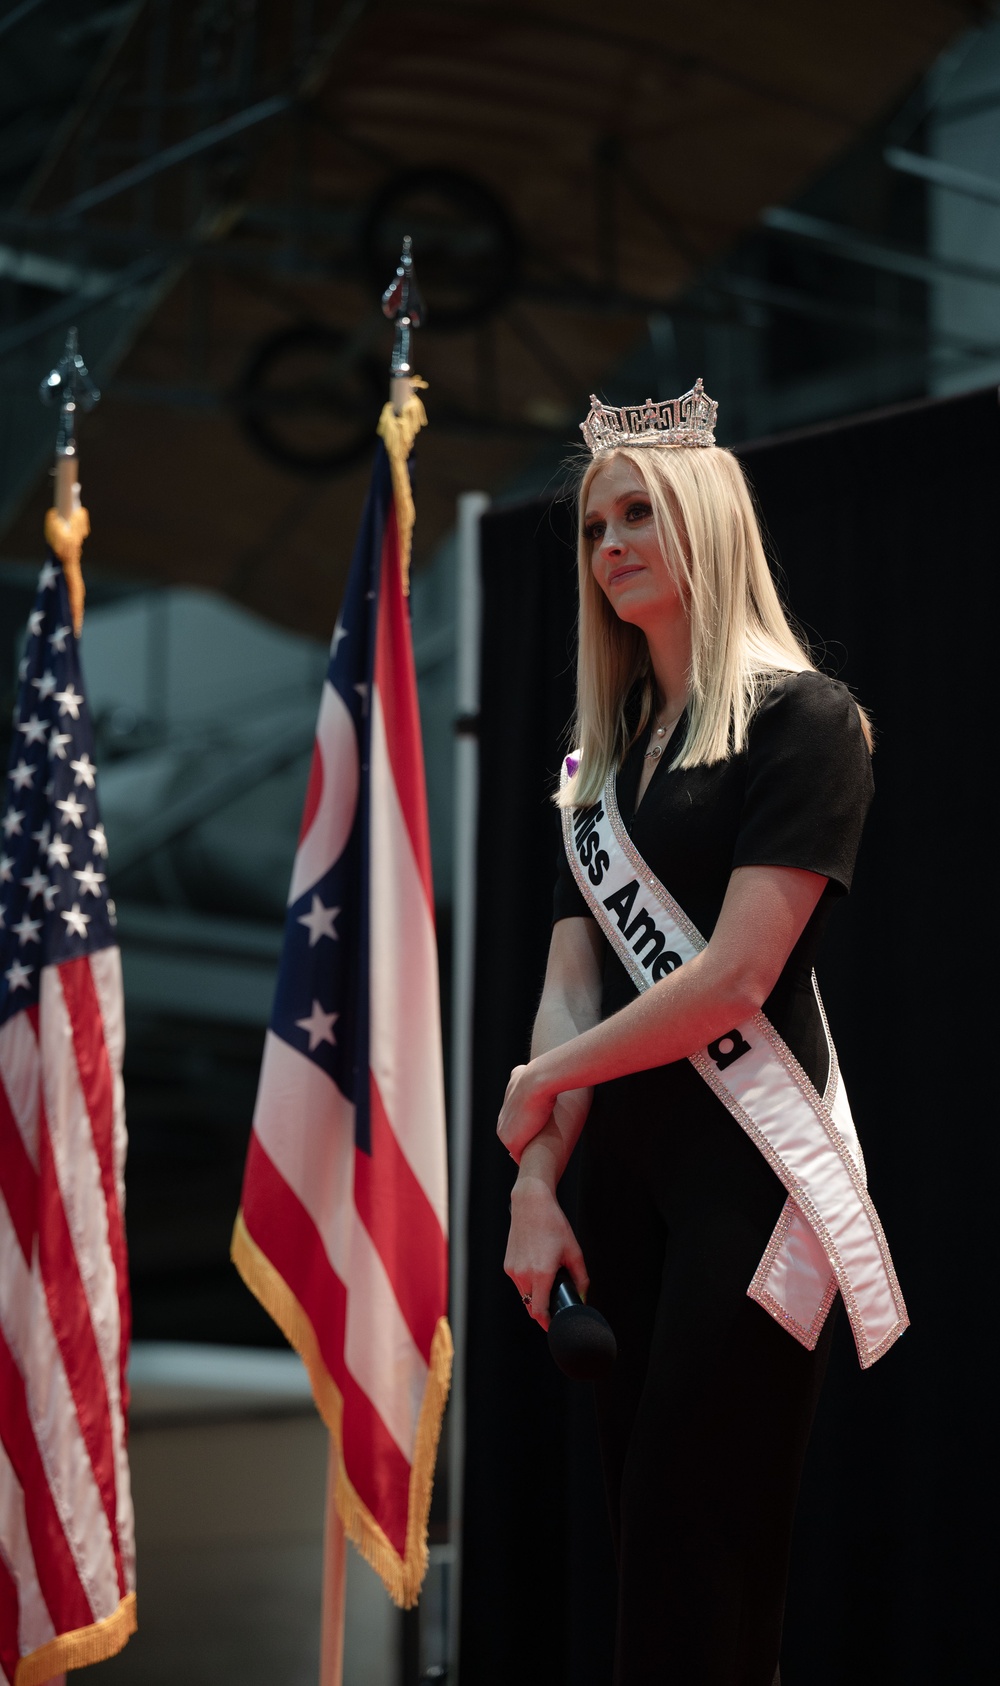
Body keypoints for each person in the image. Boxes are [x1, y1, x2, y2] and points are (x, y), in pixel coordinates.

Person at [497, 383, 901, 1686]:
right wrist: (537, 1183)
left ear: (709, 526)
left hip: (747, 1185)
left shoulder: (807, 721)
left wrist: (549, 1077)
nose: (610, 541)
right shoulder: (594, 772)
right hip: (617, 1190)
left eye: (640, 513)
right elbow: (570, 988)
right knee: (643, 1550)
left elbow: (733, 979)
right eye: (594, 523)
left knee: (707, 1548)